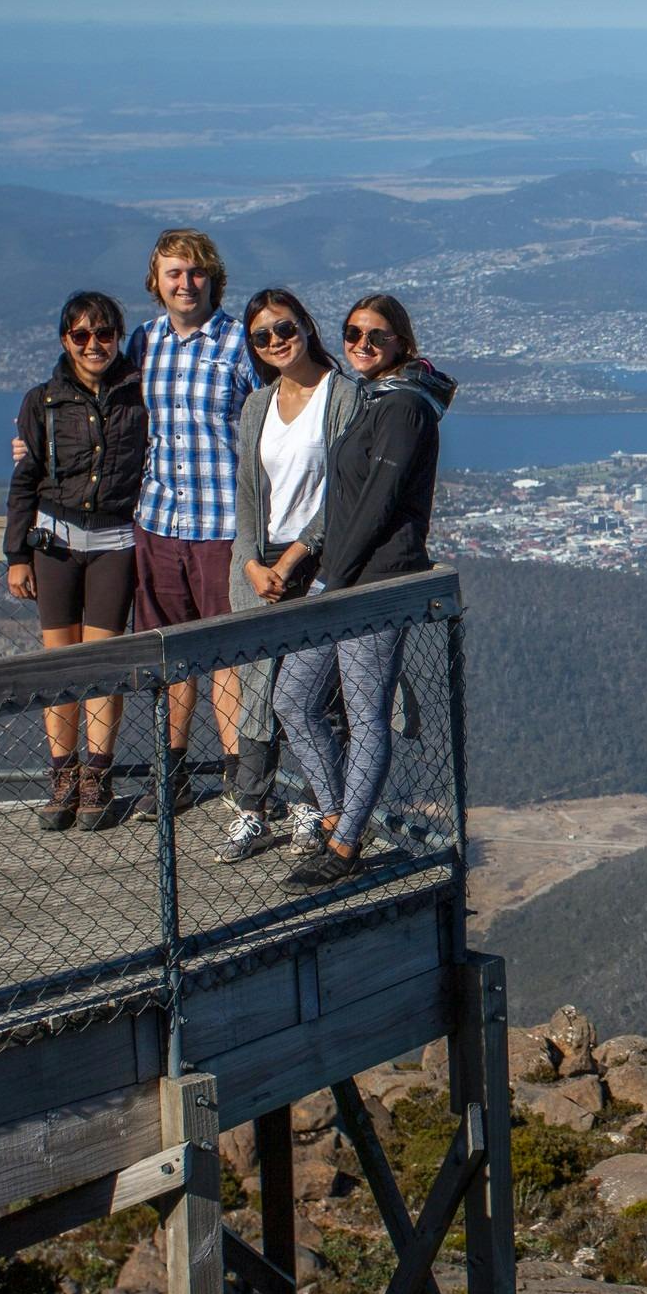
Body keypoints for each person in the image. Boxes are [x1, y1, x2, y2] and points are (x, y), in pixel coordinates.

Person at [273, 293, 455, 890]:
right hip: (344, 576)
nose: (362, 345)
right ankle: (336, 818)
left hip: (374, 583)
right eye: (353, 334)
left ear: (401, 342)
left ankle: (346, 842)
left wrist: (333, 580)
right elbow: (347, 501)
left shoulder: (404, 409)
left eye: (376, 336)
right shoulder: (377, 398)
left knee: (365, 712)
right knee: (293, 698)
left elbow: (377, 504)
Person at [213, 286, 361, 862]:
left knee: (311, 695)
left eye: (284, 329)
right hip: (262, 562)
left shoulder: (342, 397)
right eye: (262, 336)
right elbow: (248, 492)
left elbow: (345, 493)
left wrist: (294, 557)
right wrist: (251, 561)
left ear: (306, 326)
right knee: (257, 685)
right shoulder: (259, 405)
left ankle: (313, 804)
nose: (275, 341)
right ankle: (251, 808)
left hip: (318, 562)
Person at [124, 228, 260, 818]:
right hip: (157, 520)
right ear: (156, 282)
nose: (186, 283)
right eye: (174, 273)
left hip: (222, 523)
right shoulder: (142, 342)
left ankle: (240, 781)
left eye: (196, 272)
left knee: (228, 653)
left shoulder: (238, 343)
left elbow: (270, 421)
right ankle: (170, 773)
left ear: (214, 279)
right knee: (169, 654)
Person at [3, 291, 149, 830]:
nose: (93, 345)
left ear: (117, 335)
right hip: (55, 543)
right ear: (64, 340)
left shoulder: (141, 396)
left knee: (104, 666)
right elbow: (25, 481)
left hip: (114, 542)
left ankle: (98, 775)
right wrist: (17, 554)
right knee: (58, 667)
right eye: (81, 335)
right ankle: (62, 774)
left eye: (103, 334)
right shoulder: (42, 401)